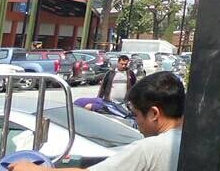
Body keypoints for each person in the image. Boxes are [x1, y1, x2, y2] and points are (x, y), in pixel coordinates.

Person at [12, 71, 184, 171]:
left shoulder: (150, 149)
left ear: (154, 113)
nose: (137, 123)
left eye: (136, 115)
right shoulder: (192, 142)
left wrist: (33, 169)